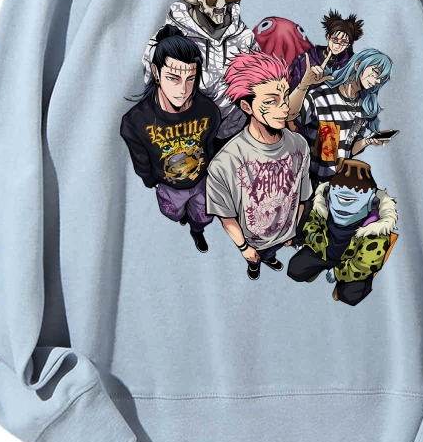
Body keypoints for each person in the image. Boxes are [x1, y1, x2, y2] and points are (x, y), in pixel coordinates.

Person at [204, 53, 313, 280]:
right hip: (252, 241)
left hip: (284, 235)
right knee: (255, 260)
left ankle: (269, 258)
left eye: (284, 97)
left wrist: (292, 229)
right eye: (271, 101)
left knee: (271, 254)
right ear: (247, 106)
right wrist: (244, 248)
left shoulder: (299, 145)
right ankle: (254, 265)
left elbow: (302, 195)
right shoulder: (225, 162)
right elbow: (226, 215)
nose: (284, 108)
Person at [120, 25, 221, 253]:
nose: (183, 89)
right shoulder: (135, 121)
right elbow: (140, 159)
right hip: (167, 185)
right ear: (156, 73)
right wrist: (151, 181)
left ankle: (197, 230)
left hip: (202, 181)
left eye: (190, 78)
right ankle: (184, 216)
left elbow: (210, 145)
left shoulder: (208, 110)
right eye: (173, 78)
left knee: (203, 216)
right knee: (172, 212)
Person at [141, 0, 257, 145]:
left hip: (236, 133)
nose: (221, 3)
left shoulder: (243, 36)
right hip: (188, 137)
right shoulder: (169, 39)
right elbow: (152, 88)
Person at [286, 158, 399, 306]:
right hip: (323, 250)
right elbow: (310, 226)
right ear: (329, 194)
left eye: (353, 200)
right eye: (338, 197)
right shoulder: (321, 207)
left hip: (352, 261)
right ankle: (317, 269)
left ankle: (342, 287)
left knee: (350, 295)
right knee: (295, 269)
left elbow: (364, 264)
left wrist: (338, 272)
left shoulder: (377, 230)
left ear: (372, 202)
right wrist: (315, 239)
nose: (343, 207)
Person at [287, 47, 394, 187]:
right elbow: (289, 115)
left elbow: (347, 150)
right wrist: (303, 85)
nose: (377, 81)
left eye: (381, 78)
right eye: (375, 72)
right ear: (358, 64)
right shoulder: (321, 96)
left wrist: (368, 141)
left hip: (336, 187)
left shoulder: (362, 108)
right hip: (308, 185)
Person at [288, 9, 363, 91]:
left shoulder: (350, 66)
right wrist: (307, 83)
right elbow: (291, 91)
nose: (338, 46)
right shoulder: (306, 60)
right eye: (335, 39)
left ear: (348, 45)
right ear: (328, 37)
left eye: (344, 42)